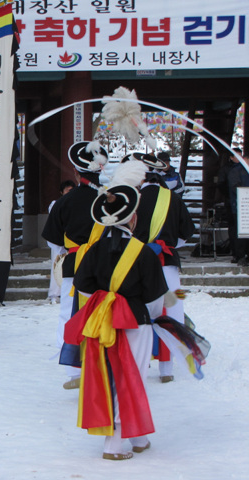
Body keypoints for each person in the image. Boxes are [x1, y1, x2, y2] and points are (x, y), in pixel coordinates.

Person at [65, 183, 168, 461]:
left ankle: (138, 436)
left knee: (108, 376)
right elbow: (156, 301)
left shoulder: (94, 250)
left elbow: (84, 290)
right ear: (132, 218)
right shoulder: (144, 252)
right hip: (136, 321)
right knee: (132, 378)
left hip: (102, 321)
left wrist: (105, 303)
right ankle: (114, 443)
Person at [41, 141, 109, 389]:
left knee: (69, 313)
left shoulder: (65, 202)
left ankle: (72, 366)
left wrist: (67, 252)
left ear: (76, 172)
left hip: (73, 264)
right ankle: (101, 361)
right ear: (100, 169)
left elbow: (53, 238)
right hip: (103, 265)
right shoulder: (109, 199)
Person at [133, 153, 195, 383]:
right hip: (167, 263)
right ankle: (167, 369)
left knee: (140, 312)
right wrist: (165, 246)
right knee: (169, 312)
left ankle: (141, 363)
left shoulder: (133, 198)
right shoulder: (172, 199)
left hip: (136, 263)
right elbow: (186, 234)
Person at [47, 180, 75, 302]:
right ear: (62, 192)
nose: (70, 192)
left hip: (73, 239)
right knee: (57, 264)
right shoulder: (56, 204)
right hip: (59, 238)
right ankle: (55, 293)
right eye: (68, 190)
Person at [227, 149, 249, 265]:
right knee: (241, 233)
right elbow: (235, 187)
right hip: (241, 206)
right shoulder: (236, 171)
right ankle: (240, 256)